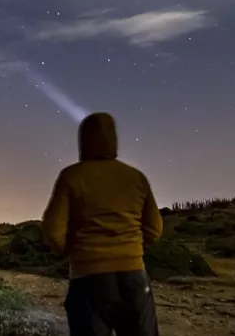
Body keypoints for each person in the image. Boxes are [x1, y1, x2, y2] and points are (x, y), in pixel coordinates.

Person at [41, 112, 164, 336]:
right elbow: (154, 228)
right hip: (134, 276)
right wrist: (131, 251)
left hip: (89, 278)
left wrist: (75, 253)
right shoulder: (136, 177)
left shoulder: (71, 177)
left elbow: (53, 229)